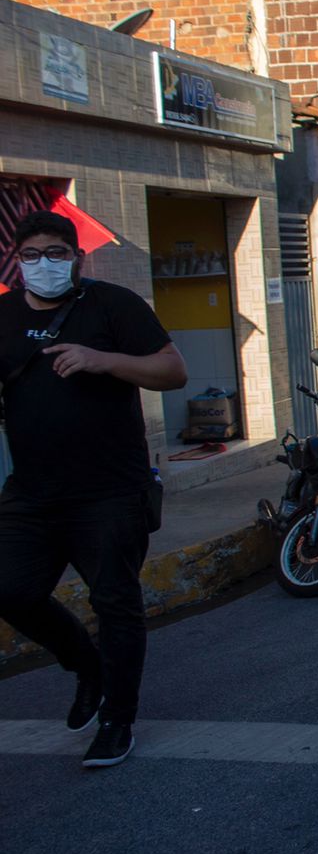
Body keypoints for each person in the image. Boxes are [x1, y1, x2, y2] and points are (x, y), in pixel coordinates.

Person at [0, 209, 188, 767]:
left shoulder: (113, 306)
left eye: (56, 253)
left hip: (109, 491)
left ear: (76, 258)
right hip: (32, 491)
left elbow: (172, 371)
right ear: (16, 261)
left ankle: (116, 721)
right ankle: (87, 665)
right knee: (9, 590)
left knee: (116, 604)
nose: (44, 264)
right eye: (31, 255)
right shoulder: (3, 314)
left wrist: (101, 359)